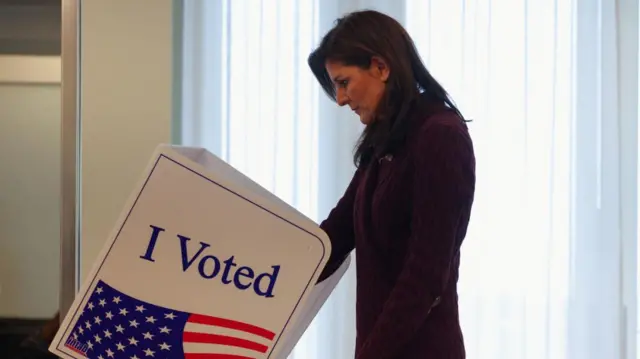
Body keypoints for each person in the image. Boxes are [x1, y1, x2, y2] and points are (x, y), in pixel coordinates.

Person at [308, 10, 476, 359]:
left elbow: (426, 276)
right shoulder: (385, 139)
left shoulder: (440, 136)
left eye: (343, 82)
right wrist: (256, 274)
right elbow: (335, 236)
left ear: (381, 68)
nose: (339, 99)